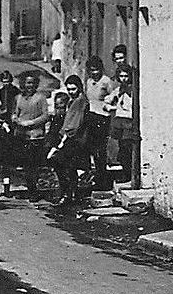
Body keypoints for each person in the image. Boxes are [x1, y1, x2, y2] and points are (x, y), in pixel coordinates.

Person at [47, 75, 90, 205]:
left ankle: (68, 194)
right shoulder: (74, 101)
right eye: (69, 89)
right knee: (68, 167)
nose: (71, 92)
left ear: (79, 88)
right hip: (70, 138)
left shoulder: (80, 102)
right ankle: (70, 194)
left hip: (73, 139)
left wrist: (62, 141)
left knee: (62, 164)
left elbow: (75, 124)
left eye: (73, 89)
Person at [12, 71, 48, 199]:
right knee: (25, 165)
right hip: (22, 135)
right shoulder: (18, 98)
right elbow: (15, 113)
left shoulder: (40, 98)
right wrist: (15, 119)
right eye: (27, 83)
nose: (30, 86)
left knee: (33, 165)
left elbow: (45, 115)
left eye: (32, 83)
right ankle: (29, 188)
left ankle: (34, 191)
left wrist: (31, 123)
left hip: (35, 136)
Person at [85, 56, 113, 190]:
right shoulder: (89, 81)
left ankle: (103, 179)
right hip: (91, 116)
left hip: (102, 117)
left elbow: (114, 97)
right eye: (91, 70)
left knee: (101, 149)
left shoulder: (106, 81)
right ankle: (96, 175)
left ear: (101, 69)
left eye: (96, 70)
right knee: (92, 149)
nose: (94, 73)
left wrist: (107, 106)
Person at [105, 64, 135, 183]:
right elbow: (108, 99)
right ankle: (125, 172)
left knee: (127, 148)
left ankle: (129, 174)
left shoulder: (132, 90)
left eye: (126, 76)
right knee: (121, 147)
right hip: (119, 121)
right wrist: (111, 105)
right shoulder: (119, 89)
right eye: (121, 76)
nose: (124, 79)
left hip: (128, 120)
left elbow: (131, 106)